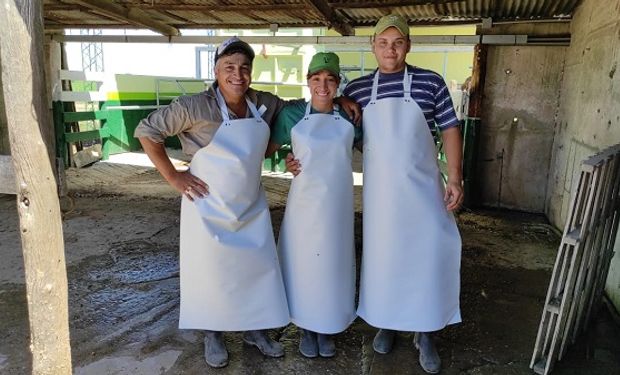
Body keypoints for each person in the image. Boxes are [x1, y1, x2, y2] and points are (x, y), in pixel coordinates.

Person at [134, 37, 360, 369]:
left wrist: (337, 97)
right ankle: (214, 334)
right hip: (207, 203)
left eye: (244, 68)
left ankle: (256, 331)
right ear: (216, 70)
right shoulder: (193, 106)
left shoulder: (264, 104)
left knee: (256, 270)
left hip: (249, 201)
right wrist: (174, 177)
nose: (237, 75)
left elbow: (308, 105)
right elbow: (147, 130)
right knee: (213, 273)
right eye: (229, 68)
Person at [343, 14, 464, 374]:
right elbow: (332, 127)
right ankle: (386, 321)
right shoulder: (359, 90)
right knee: (384, 260)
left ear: (408, 45)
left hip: (424, 188)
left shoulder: (431, 83)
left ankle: (426, 332)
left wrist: (455, 178)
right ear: (372, 46)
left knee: (427, 258)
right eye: (383, 42)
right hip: (381, 196)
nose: (390, 49)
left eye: (397, 43)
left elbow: (450, 129)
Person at [266, 52, 361, 359]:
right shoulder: (292, 114)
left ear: (337, 84)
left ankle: (329, 327)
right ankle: (308, 328)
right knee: (305, 264)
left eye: (330, 80)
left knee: (333, 263)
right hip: (304, 206)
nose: (323, 86)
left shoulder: (351, 116)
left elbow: (374, 145)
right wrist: (286, 161)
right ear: (308, 81)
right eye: (317, 79)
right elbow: (270, 147)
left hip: (337, 205)